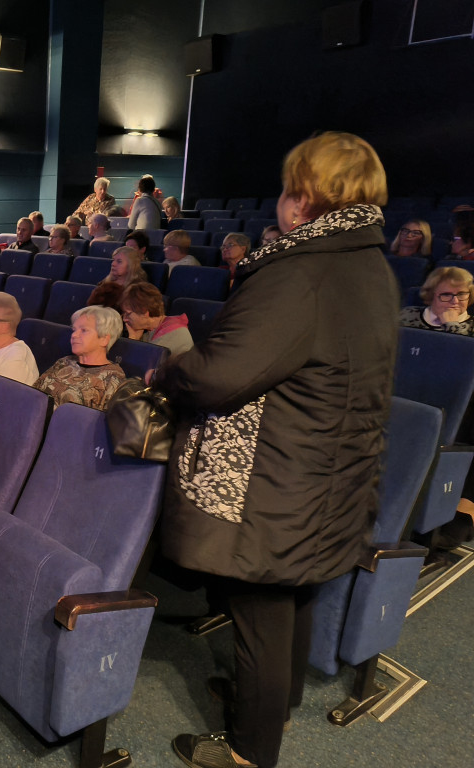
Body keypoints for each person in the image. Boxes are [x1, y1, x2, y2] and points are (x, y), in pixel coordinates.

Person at [163, 132, 396, 768]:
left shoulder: (300, 270)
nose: (281, 203)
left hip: (279, 478)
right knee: (293, 596)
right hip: (327, 470)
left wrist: (169, 372)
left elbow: (218, 375)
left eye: (290, 189)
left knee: (260, 609)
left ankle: (249, 750)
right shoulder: (368, 262)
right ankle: (271, 707)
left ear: (304, 200)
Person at [34, 306, 125, 409]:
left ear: (104, 339)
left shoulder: (113, 378)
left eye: (84, 330)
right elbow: (34, 393)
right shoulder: (64, 362)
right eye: (74, 330)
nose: (74, 335)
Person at [121, 281, 193, 355]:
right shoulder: (149, 330)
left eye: (128, 313)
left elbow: (140, 363)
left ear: (145, 312)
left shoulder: (174, 333)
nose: (124, 319)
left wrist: (133, 339)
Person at [399, 266, 474, 335]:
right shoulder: (406, 315)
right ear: (431, 295)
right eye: (446, 295)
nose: (455, 301)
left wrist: (451, 325)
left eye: (461, 294)